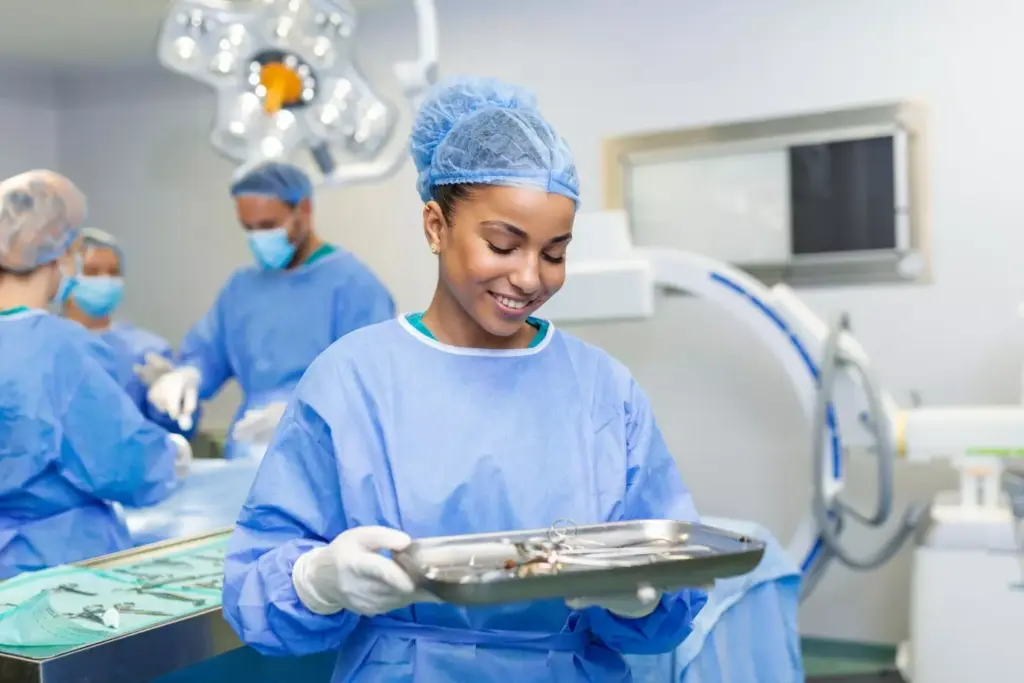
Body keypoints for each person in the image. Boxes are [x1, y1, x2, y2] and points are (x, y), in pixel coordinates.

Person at [222, 77, 707, 682]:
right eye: (503, 245)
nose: (529, 278)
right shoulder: (352, 380)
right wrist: (315, 580)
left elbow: (671, 586)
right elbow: (254, 581)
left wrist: (646, 598)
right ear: (435, 226)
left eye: (554, 253)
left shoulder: (604, 390)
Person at [0, 170, 191, 579]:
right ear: (59, 253)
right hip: (53, 571)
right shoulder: (57, 349)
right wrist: (171, 456)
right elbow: (122, 464)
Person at [147, 162, 396, 459]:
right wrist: (189, 375)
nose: (258, 238)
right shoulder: (241, 289)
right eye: (249, 228)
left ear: (304, 210)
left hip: (325, 456)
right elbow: (209, 353)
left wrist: (306, 415)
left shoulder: (353, 285)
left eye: (268, 226)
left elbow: (371, 385)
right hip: (247, 450)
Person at [60, 227, 196, 439]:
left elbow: (179, 430)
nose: (105, 281)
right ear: (64, 278)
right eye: (92, 272)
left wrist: (169, 402)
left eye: (113, 272)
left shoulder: (146, 352)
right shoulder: (46, 345)